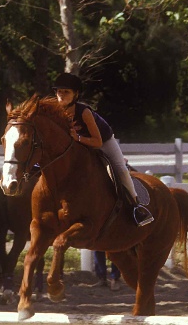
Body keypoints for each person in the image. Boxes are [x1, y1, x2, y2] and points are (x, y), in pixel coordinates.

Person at [52, 72, 154, 226]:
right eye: (59, 91)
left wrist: (78, 138)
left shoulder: (84, 112)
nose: (62, 95)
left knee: (120, 169)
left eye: (66, 92)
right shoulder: (55, 111)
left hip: (104, 141)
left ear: (76, 94)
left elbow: (97, 142)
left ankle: (136, 206)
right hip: (79, 146)